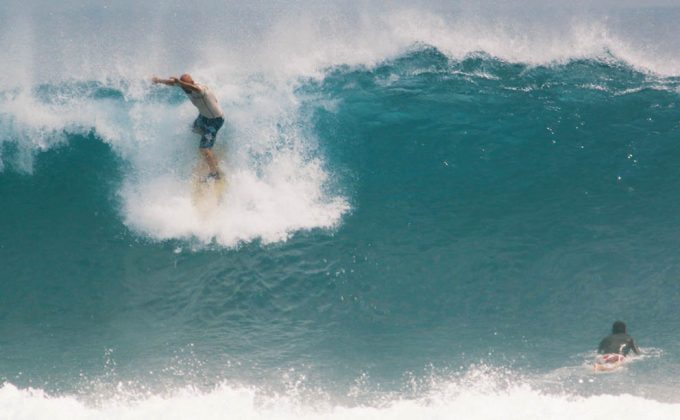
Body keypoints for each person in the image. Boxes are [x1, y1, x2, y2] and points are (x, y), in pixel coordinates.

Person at [152, 73, 225, 180]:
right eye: (183, 86)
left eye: (185, 85)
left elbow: (195, 88)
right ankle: (209, 143)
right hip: (204, 117)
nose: (184, 89)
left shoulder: (200, 89)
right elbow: (173, 83)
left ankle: (215, 173)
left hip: (215, 120)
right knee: (195, 129)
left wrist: (181, 83)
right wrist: (158, 80)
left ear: (190, 83)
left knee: (203, 149)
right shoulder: (185, 86)